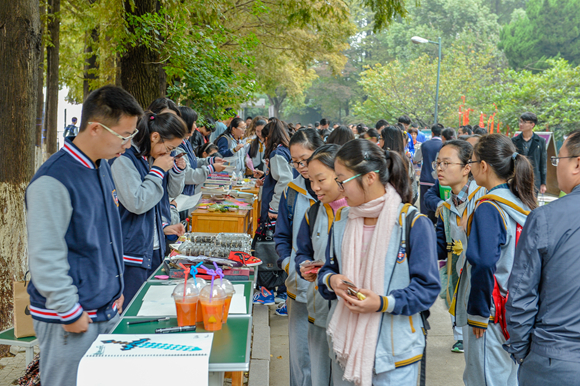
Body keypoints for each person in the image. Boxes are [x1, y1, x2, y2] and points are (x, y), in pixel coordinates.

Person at [27, 85, 143, 386]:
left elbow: (106, 236)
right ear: (95, 128)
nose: (128, 145)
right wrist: (69, 311)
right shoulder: (53, 180)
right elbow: (45, 257)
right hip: (72, 317)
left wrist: (116, 287)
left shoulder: (102, 167)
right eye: (124, 136)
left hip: (104, 307)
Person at [317, 139, 440, 386]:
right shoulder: (342, 220)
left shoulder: (413, 223)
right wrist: (331, 280)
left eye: (343, 180)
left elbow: (427, 289)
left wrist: (383, 303)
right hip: (348, 351)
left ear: (370, 178)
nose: (340, 188)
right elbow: (328, 270)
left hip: (395, 355)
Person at [454, 134, 536, 386]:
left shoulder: (489, 207)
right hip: (516, 309)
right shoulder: (521, 202)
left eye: (472, 161)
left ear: (484, 166)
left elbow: (483, 262)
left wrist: (478, 313)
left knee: (485, 378)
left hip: (489, 313)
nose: (470, 167)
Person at [504, 129, 580, 384]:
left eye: (558, 160)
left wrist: (524, 351)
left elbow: (521, 294)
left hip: (554, 360)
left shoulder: (546, 217)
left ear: (577, 164)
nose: (555, 166)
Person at [111, 111, 187, 308]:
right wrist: (159, 170)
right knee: (132, 310)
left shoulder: (147, 158)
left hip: (151, 249)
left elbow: (157, 201)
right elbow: (137, 203)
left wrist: (162, 229)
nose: (168, 154)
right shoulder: (124, 160)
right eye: (168, 148)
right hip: (131, 254)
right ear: (154, 137)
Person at [270, 129, 324, 386]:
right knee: (300, 357)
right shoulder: (291, 191)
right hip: (298, 287)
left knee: (326, 359)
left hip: (329, 291)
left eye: (306, 159)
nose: (301, 167)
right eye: (295, 161)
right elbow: (281, 236)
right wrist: (289, 264)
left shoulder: (340, 190)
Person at [295, 144, 347, 386]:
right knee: (318, 375)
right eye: (312, 180)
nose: (314, 187)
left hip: (347, 315)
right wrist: (303, 265)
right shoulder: (313, 213)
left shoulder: (358, 214)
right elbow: (302, 252)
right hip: (317, 309)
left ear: (341, 175)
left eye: (321, 179)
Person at [434, 140, 486, 354]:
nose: (439, 168)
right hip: (460, 281)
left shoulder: (484, 199)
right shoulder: (446, 207)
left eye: (446, 163)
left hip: (484, 296)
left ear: (467, 168)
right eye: (437, 163)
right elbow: (439, 245)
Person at [254, 118, 296, 300]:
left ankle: (270, 291)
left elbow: (284, 180)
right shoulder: (286, 150)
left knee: (269, 248)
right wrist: (266, 177)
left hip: (276, 209)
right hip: (283, 207)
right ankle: (281, 291)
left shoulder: (277, 153)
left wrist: (273, 207)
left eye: (263, 139)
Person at [176, 106, 226, 197]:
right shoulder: (177, 146)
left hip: (187, 193)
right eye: (194, 123)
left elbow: (193, 161)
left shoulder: (185, 143)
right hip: (180, 197)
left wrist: (211, 160)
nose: (195, 127)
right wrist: (212, 168)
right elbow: (188, 175)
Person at [511, 112, 547, 194]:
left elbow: (543, 163)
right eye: (520, 121)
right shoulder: (514, 141)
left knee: (532, 205)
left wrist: (543, 183)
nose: (521, 124)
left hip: (534, 180)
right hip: (518, 179)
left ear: (532, 125)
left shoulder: (540, 141)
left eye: (524, 122)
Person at [415, 124, 443, 223]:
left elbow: (416, 159)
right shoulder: (443, 145)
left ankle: (423, 224)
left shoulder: (425, 144)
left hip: (425, 179)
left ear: (432, 133)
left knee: (424, 205)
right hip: (438, 180)